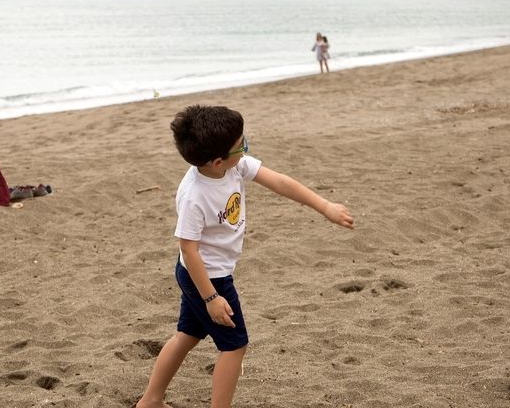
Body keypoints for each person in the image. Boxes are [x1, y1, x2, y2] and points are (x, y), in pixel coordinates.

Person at [136, 105, 354, 408]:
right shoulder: (194, 195)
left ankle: (150, 401)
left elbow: (279, 181)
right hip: (207, 277)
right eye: (243, 145)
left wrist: (324, 205)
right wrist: (212, 298)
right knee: (235, 347)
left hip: (203, 274)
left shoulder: (234, 165)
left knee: (187, 335)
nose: (246, 148)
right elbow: (189, 248)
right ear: (216, 161)